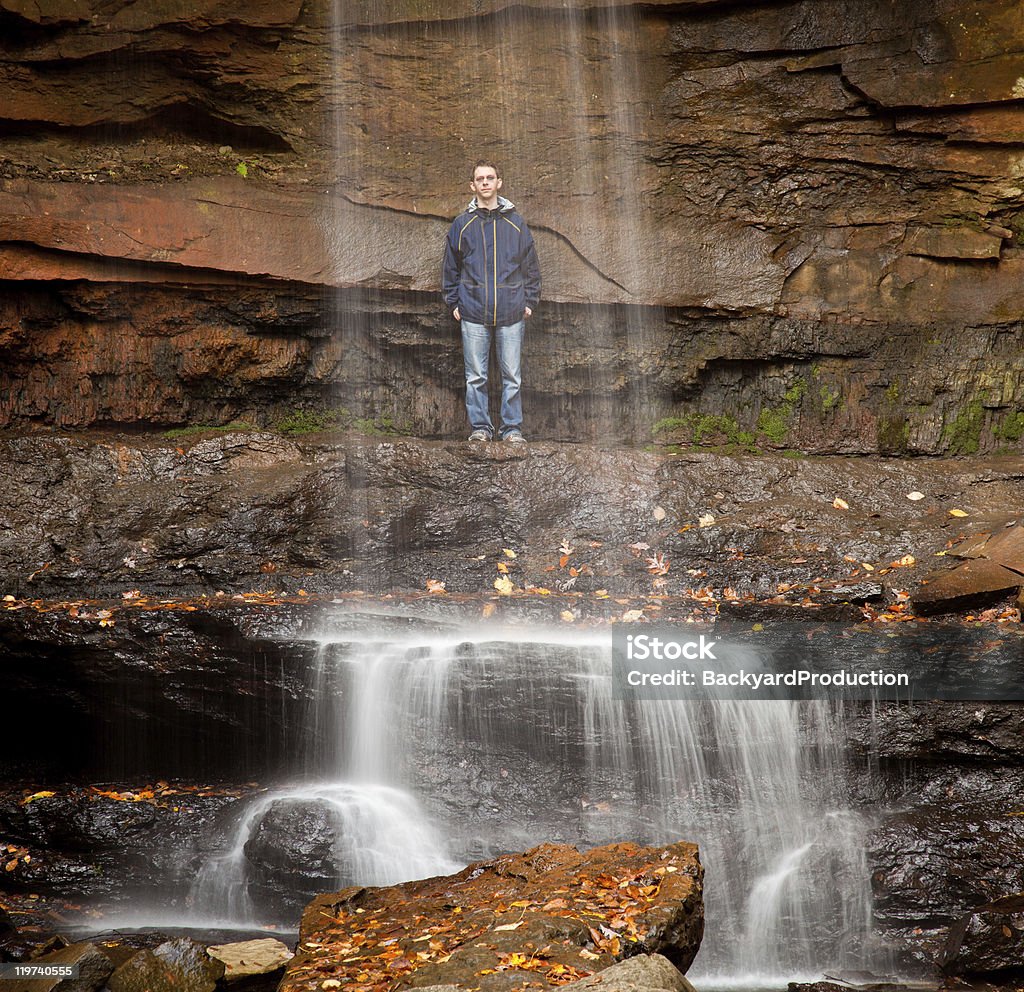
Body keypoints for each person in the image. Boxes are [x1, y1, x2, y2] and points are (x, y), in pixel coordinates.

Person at [442, 160, 541, 443]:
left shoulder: (516, 223)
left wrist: (530, 301)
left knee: (512, 376)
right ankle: (481, 429)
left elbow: (531, 267)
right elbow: (450, 267)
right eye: (480, 179)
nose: (485, 182)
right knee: (476, 377)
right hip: (472, 312)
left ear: (499, 182)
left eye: (490, 177)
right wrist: (453, 302)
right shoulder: (462, 225)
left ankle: (511, 429)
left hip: (511, 311)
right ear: (472, 186)